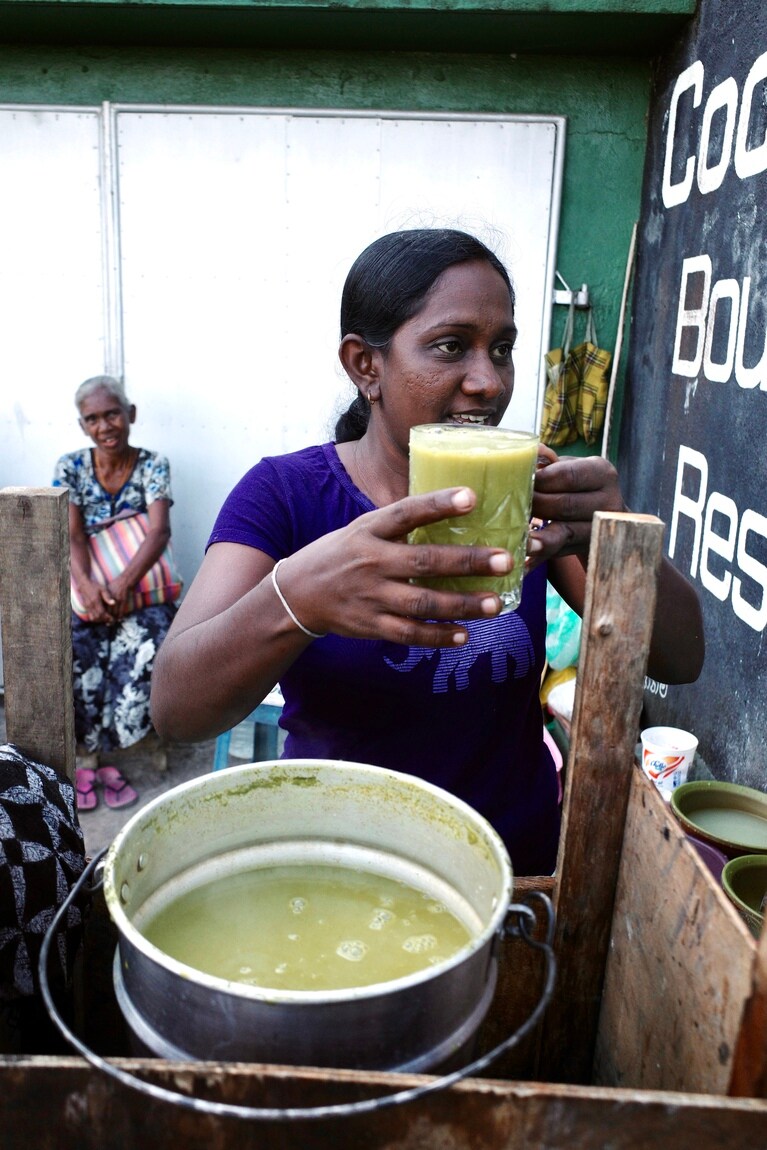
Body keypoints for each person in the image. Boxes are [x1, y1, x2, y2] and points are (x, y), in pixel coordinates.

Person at [150, 229, 704, 875]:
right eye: (450, 346)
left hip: (508, 866)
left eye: (501, 350)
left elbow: (681, 658)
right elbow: (178, 710)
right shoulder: (286, 495)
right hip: (339, 862)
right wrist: (297, 599)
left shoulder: (524, 495)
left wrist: (619, 537)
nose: (487, 381)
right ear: (365, 365)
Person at [53, 375, 177, 813]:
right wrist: (88, 592)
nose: (105, 426)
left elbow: (158, 532)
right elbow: (72, 537)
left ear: (131, 415)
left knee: (148, 640)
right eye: (93, 419)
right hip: (91, 581)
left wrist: (121, 589)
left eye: (112, 414)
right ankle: (88, 755)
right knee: (75, 642)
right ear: (83, 425)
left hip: (138, 587)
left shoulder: (152, 465)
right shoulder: (70, 466)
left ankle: (121, 747)